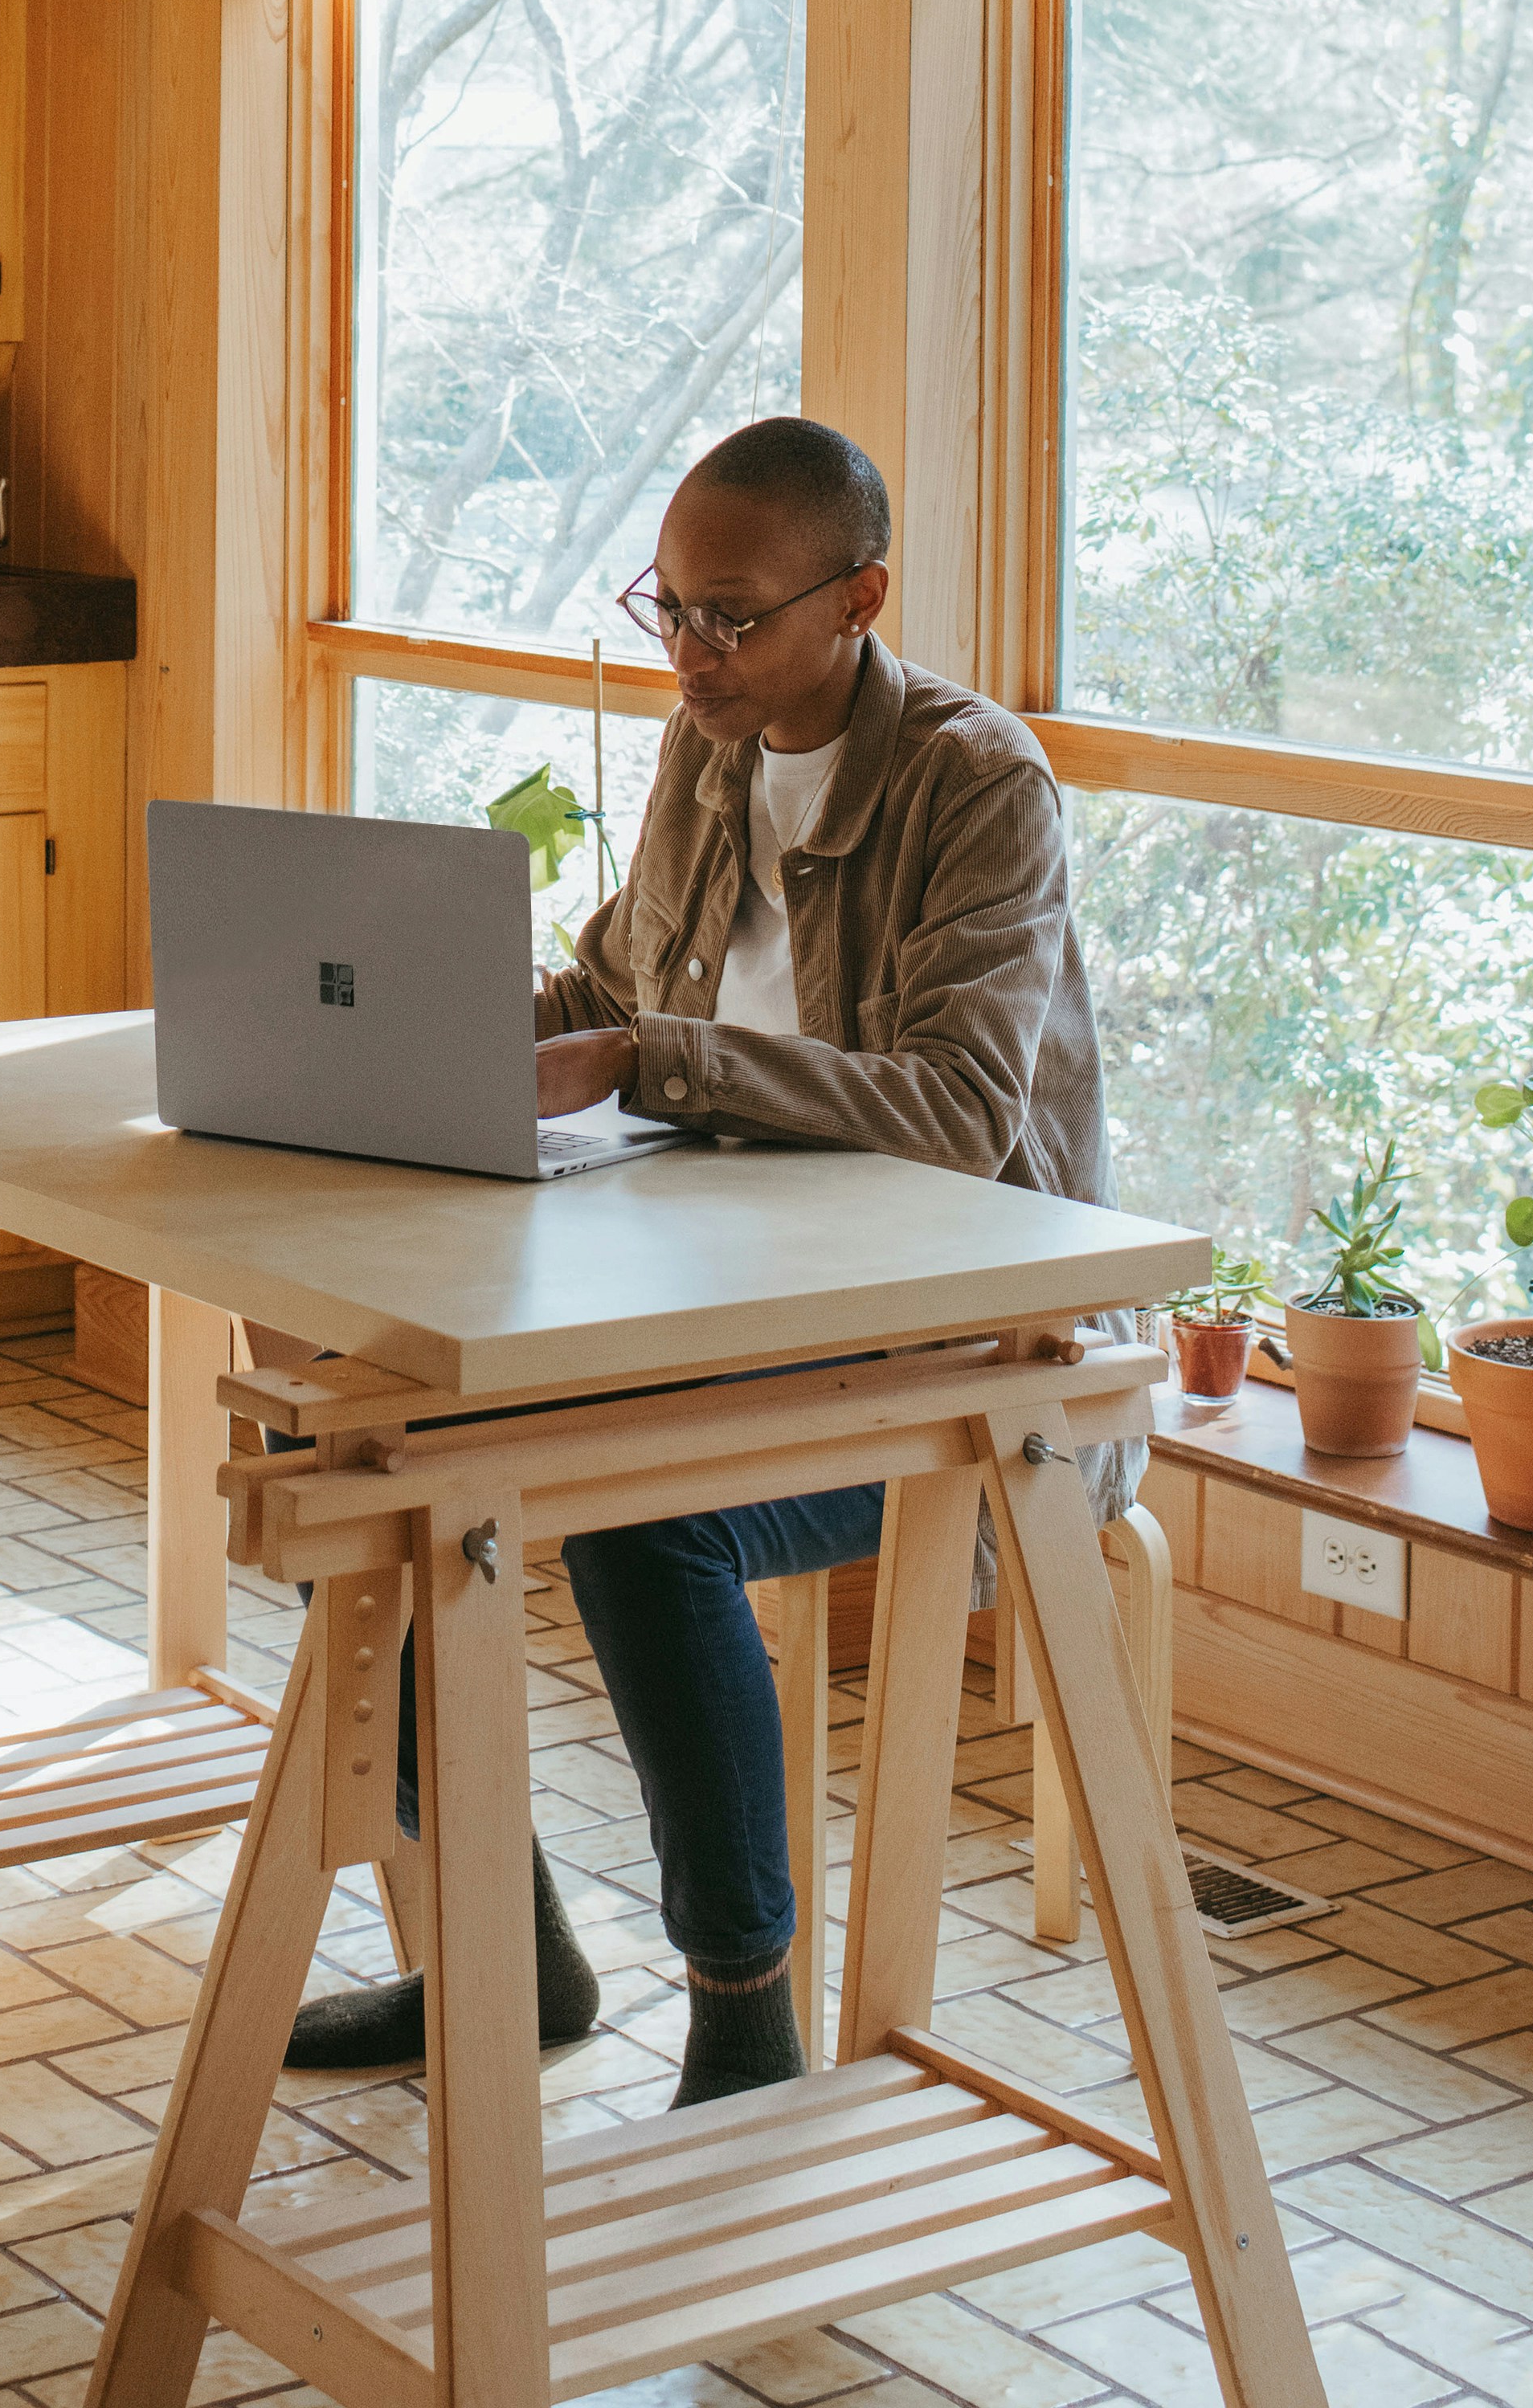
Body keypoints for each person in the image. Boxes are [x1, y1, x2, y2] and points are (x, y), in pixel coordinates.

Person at [280, 410, 1118, 2108]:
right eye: (666, 606)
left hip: (966, 1339)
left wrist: (650, 1060)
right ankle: (502, 1953)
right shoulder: (709, 743)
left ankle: (742, 2020)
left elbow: (961, 1111)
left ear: (859, 598)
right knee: (350, 1446)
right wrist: (395, 1038)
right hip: (725, 1288)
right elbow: (612, 993)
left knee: (647, 1520)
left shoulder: (975, 781)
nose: (688, 651)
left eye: (729, 617)